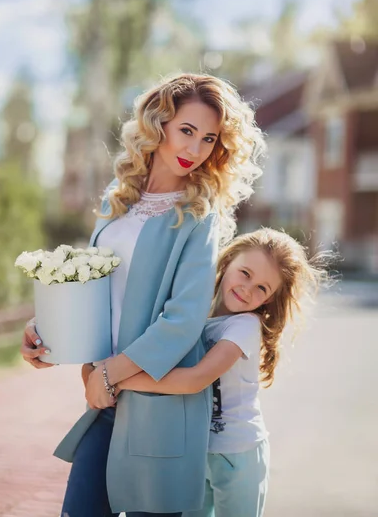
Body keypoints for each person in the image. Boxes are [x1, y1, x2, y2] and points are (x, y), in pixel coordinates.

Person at [20, 73, 265, 517]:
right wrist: (46, 329)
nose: (194, 150)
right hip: (104, 402)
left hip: (159, 405)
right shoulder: (117, 202)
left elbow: (182, 320)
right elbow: (97, 292)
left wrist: (110, 374)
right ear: (159, 125)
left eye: (208, 139)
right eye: (186, 131)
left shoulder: (198, 217)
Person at [108, 228, 332, 517]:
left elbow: (195, 380)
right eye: (245, 273)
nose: (248, 290)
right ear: (226, 263)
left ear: (270, 299)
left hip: (238, 454)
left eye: (263, 288)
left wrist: (119, 379)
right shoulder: (195, 315)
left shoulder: (244, 326)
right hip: (195, 451)